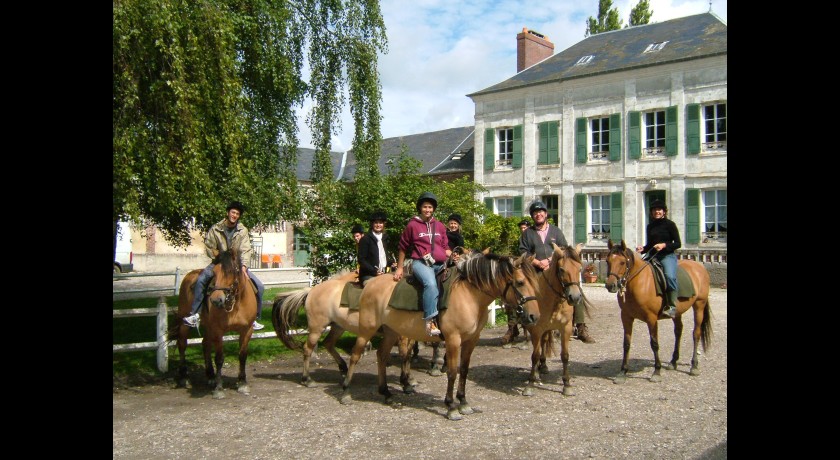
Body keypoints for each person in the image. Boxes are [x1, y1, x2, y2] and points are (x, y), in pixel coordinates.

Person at [519, 200, 594, 343]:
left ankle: (581, 326)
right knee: (522, 290)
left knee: (575, 289)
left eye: (540, 212)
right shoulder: (527, 234)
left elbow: (564, 249)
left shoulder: (556, 231)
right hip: (536, 270)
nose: (538, 215)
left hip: (555, 269)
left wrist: (549, 261)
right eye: (535, 213)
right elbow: (523, 251)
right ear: (532, 216)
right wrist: (537, 262)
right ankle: (520, 324)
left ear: (546, 214)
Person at [183, 201, 265, 330]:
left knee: (259, 286)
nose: (235, 215)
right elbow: (209, 245)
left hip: (236, 265)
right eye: (233, 212)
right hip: (219, 263)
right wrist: (217, 255)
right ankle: (195, 314)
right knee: (201, 281)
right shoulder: (216, 229)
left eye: (237, 214)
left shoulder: (242, 231)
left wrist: (244, 266)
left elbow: (246, 249)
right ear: (228, 213)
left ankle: (254, 318)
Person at [393, 192, 452, 336]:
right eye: (425, 207)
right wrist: (400, 268)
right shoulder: (412, 225)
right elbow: (403, 247)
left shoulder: (439, 226)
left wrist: (455, 255)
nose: (428, 210)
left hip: (440, 263)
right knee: (430, 284)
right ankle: (430, 321)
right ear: (420, 208)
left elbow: (445, 247)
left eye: (430, 207)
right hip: (420, 263)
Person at [636, 199, 682, 318]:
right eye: (655, 210)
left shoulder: (670, 225)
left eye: (659, 210)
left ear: (664, 212)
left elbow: (677, 243)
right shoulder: (650, 226)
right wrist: (643, 249)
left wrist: (664, 245)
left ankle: (672, 306)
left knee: (670, 277)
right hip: (653, 256)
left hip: (667, 256)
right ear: (652, 212)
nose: (657, 211)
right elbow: (650, 244)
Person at [501, 218, 532, 345]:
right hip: (521, 270)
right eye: (522, 228)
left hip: (533, 269)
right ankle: (512, 328)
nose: (523, 230)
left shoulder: (533, 238)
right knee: (511, 293)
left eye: (525, 228)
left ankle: (578, 324)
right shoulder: (519, 241)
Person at [358, 211, 396, 285]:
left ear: (384, 224)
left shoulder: (385, 238)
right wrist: (374, 271)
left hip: (383, 274)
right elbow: (361, 260)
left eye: (380, 223)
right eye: (376, 222)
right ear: (372, 224)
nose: (378, 225)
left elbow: (382, 257)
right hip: (368, 275)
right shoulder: (365, 239)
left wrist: (391, 263)